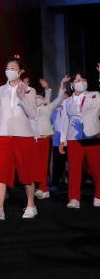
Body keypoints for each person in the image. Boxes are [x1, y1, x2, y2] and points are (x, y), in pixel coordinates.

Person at [0, 58, 39, 220]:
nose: (10, 70)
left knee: (26, 172)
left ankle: (31, 205)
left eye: (13, 68)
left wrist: (22, 98)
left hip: (23, 135)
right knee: (0, 171)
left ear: (20, 71)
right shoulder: (0, 90)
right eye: (7, 67)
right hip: (2, 134)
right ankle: (0, 207)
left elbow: (32, 114)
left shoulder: (30, 90)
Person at [59, 66, 100, 209]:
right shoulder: (67, 102)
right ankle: (74, 198)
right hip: (73, 138)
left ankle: (98, 195)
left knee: (96, 168)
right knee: (74, 169)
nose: (80, 82)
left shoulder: (95, 95)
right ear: (72, 84)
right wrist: (62, 140)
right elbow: (64, 121)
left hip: (92, 135)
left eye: (82, 79)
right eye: (77, 80)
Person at [34, 77, 67, 199]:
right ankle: (40, 186)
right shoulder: (30, 110)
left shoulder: (47, 107)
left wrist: (56, 85)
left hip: (45, 139)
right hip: (34, 139)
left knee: (44, 164)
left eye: (40, 97)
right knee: (36, 165)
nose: (38, 98)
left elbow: (58, 99)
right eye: (36, 97)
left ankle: (44, 188)